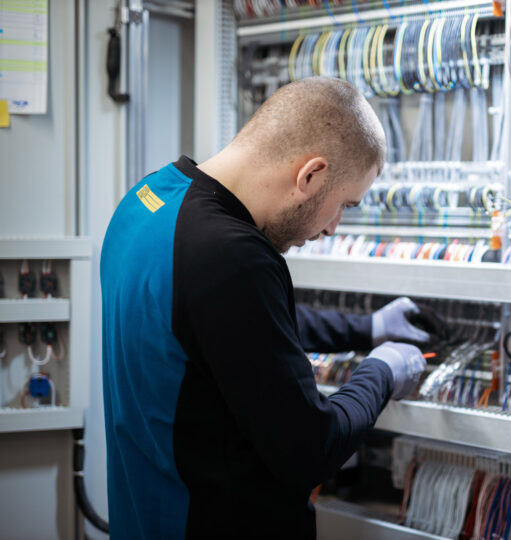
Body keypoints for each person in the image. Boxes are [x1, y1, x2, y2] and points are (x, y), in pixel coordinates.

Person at [100, 77, 432, 539]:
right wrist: (382, 371)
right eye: (343, 205)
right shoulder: (232, 256)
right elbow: (311, 447)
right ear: (310, 175)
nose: (333, 228)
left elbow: (230, 325)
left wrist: (365, 328)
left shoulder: (149, 200)